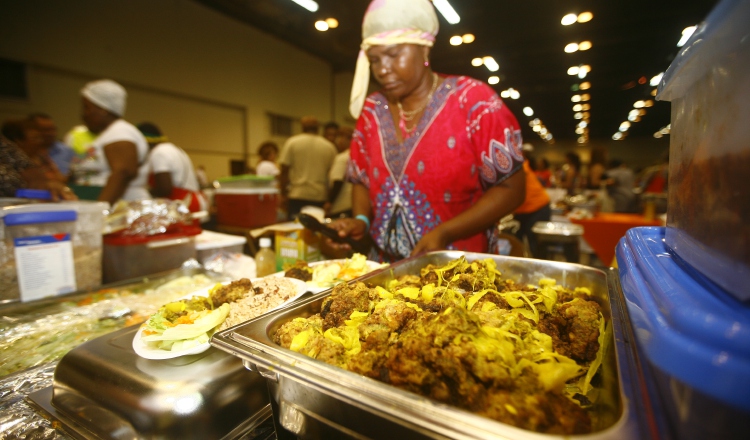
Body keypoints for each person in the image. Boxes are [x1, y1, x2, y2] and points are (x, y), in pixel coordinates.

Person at [326, 0, 525, 262]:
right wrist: (361, 219)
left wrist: (444, 232)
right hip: (386, 269)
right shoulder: (373, 110)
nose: (383, 69)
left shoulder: (474, 103)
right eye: (374, 60)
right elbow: (361, 179)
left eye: (394, 55)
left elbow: (511, 188)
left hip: (459, 270)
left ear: (425, 48)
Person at [72, 79, 150, 205]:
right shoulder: (109, 134)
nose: (83, 114)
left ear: (103, 109)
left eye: (87, 107)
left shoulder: (120, 131)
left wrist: (100, 211)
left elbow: (124, 172)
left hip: (119, 209)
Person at [137, 122, 207, 212]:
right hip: (192, 201)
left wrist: (142, 194)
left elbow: (165, 189)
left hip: (181, 204)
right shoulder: (175, 149)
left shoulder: (158, 152)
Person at [278, 116, 337, 219]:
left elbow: (284, 171)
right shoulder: (329, 147)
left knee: (294, 229)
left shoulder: (292, 143)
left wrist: (283, 194)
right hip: (319, 196)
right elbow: (333, 176)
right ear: (318, 128)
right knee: (316, 230)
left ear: (302, 127)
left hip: (297, 195)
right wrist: (330, 200)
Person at [0, 134, 75, 200]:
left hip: (17, 206)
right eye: (34, 138)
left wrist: (48, 185)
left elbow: (27, 168)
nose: (39, 141)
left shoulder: (4, 145)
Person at [2, 119, 67, 184]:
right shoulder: (10, 165)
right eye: (35, 138)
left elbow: (60, 180)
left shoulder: (42, 157)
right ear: (19, 141)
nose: (40, 141)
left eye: (40, 138)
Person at [513, 159, 551, 256]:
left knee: (536, 245)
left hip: (537, 209)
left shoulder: (517, 167)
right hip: (525, 211)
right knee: (517, 241)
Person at [28, 113, 75, 179]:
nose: (50, 133)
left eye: (53, 129)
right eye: (45, 130)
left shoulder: (67, 151)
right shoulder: (26, 152)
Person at [326, 126, 354, 218]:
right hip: (354, 206)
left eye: (340, 137)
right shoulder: (358, 157)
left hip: (341, 207)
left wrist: (329, 202)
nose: (339, 141)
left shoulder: (342, 158)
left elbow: (337, 182)